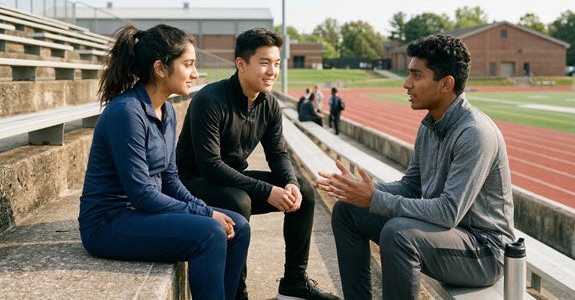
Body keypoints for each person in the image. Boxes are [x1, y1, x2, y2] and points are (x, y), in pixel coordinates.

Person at [318, 34, 515, 300]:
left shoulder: (475, 133)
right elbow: (411, 185)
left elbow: (448, 212)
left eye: (417, 76)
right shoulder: (429, 124)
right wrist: (362, 191)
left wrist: (374, 199)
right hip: (444, 236)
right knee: (347, 210)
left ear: (446, 84)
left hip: (483, 250)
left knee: (398, 234)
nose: (406, 84)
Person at [78, 24, 250, 300]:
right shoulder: (126, 113)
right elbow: (142, 194)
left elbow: (170, 179)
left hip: (141, 213)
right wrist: (206, 215)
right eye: (188, 64)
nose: (194, 74)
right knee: (209, 233)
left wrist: (203, 208)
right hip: (108, 223)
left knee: (238, 225)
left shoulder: (167, 110)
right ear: (160, 68)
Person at [176, 28, 339, 300]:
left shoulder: (269, 105)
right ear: (241, 64)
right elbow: (210, 166)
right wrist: (267, 191)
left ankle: (294, 283)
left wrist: (288, 182)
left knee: (305, 192)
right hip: (194, 184)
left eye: (276, 63)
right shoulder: (209, 100)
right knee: (239, 201)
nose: (272, 71)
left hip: (230, 180)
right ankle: (237, 292)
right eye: (264, 63)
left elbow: (278, 153)